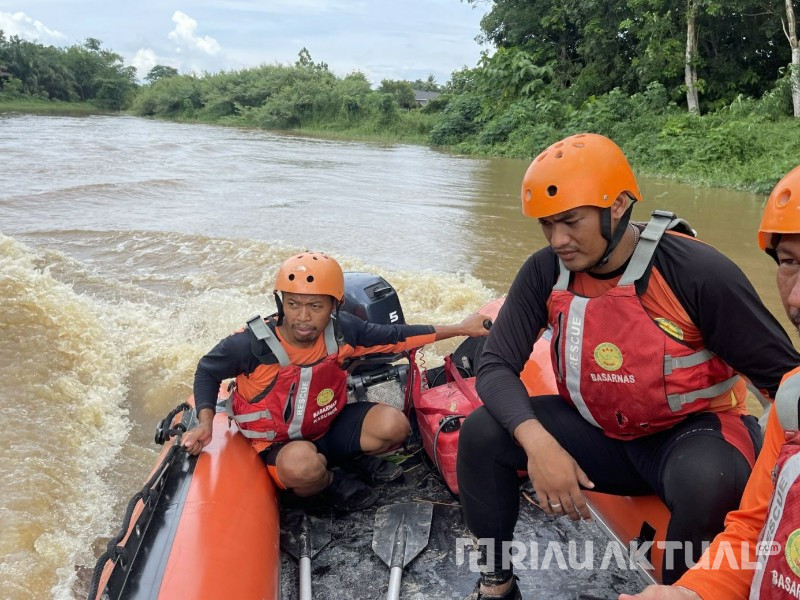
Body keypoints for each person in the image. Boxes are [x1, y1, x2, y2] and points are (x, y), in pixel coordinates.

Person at [455, 133, 800, 599]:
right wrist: (538, 444)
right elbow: (495, 365)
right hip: (600, 432)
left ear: (616, 206)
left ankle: (681, 590)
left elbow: (784, 381)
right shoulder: (545, 271)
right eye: (547, 225)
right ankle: (496, 583)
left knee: (710, 482)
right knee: (482, 432)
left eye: (571, 222)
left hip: (690, 435)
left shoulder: (694, 272)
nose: (558, 239)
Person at [182, 251, 490, 511]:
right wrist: (205, 422)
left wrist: (462, 328)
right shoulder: (251, 345)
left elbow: (399, 337)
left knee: (395, 426)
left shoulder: (344, 331)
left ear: (334, 306)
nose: (302, 317)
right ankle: (331, 482)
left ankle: (350, 460)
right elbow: (207, 371)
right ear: (281, 304)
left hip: (327, 427)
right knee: (302, 466)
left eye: (315, 306)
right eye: (293, 304)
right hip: (278, 443)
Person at [620, 165, 800, 599]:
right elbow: (757, 530)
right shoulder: (794, 398)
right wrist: (692, 593)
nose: (795, 300)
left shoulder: (695, 276)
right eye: (790, 263)